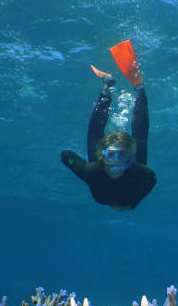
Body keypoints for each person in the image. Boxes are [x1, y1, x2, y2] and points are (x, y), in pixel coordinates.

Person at [60, 40, 156, 210]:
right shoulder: (140, 172)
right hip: (117, 163)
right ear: (103, 156)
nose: (116, 163)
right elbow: (152, 180)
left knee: (94, 131)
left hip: (107, 162)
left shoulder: (91, 171)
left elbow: (66, 156)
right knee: (140, 135)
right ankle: (140, 90)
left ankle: (107, 87)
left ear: (129, 157)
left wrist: (79, 163)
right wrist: (131, 204)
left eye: (122, 156)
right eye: (112, 155)